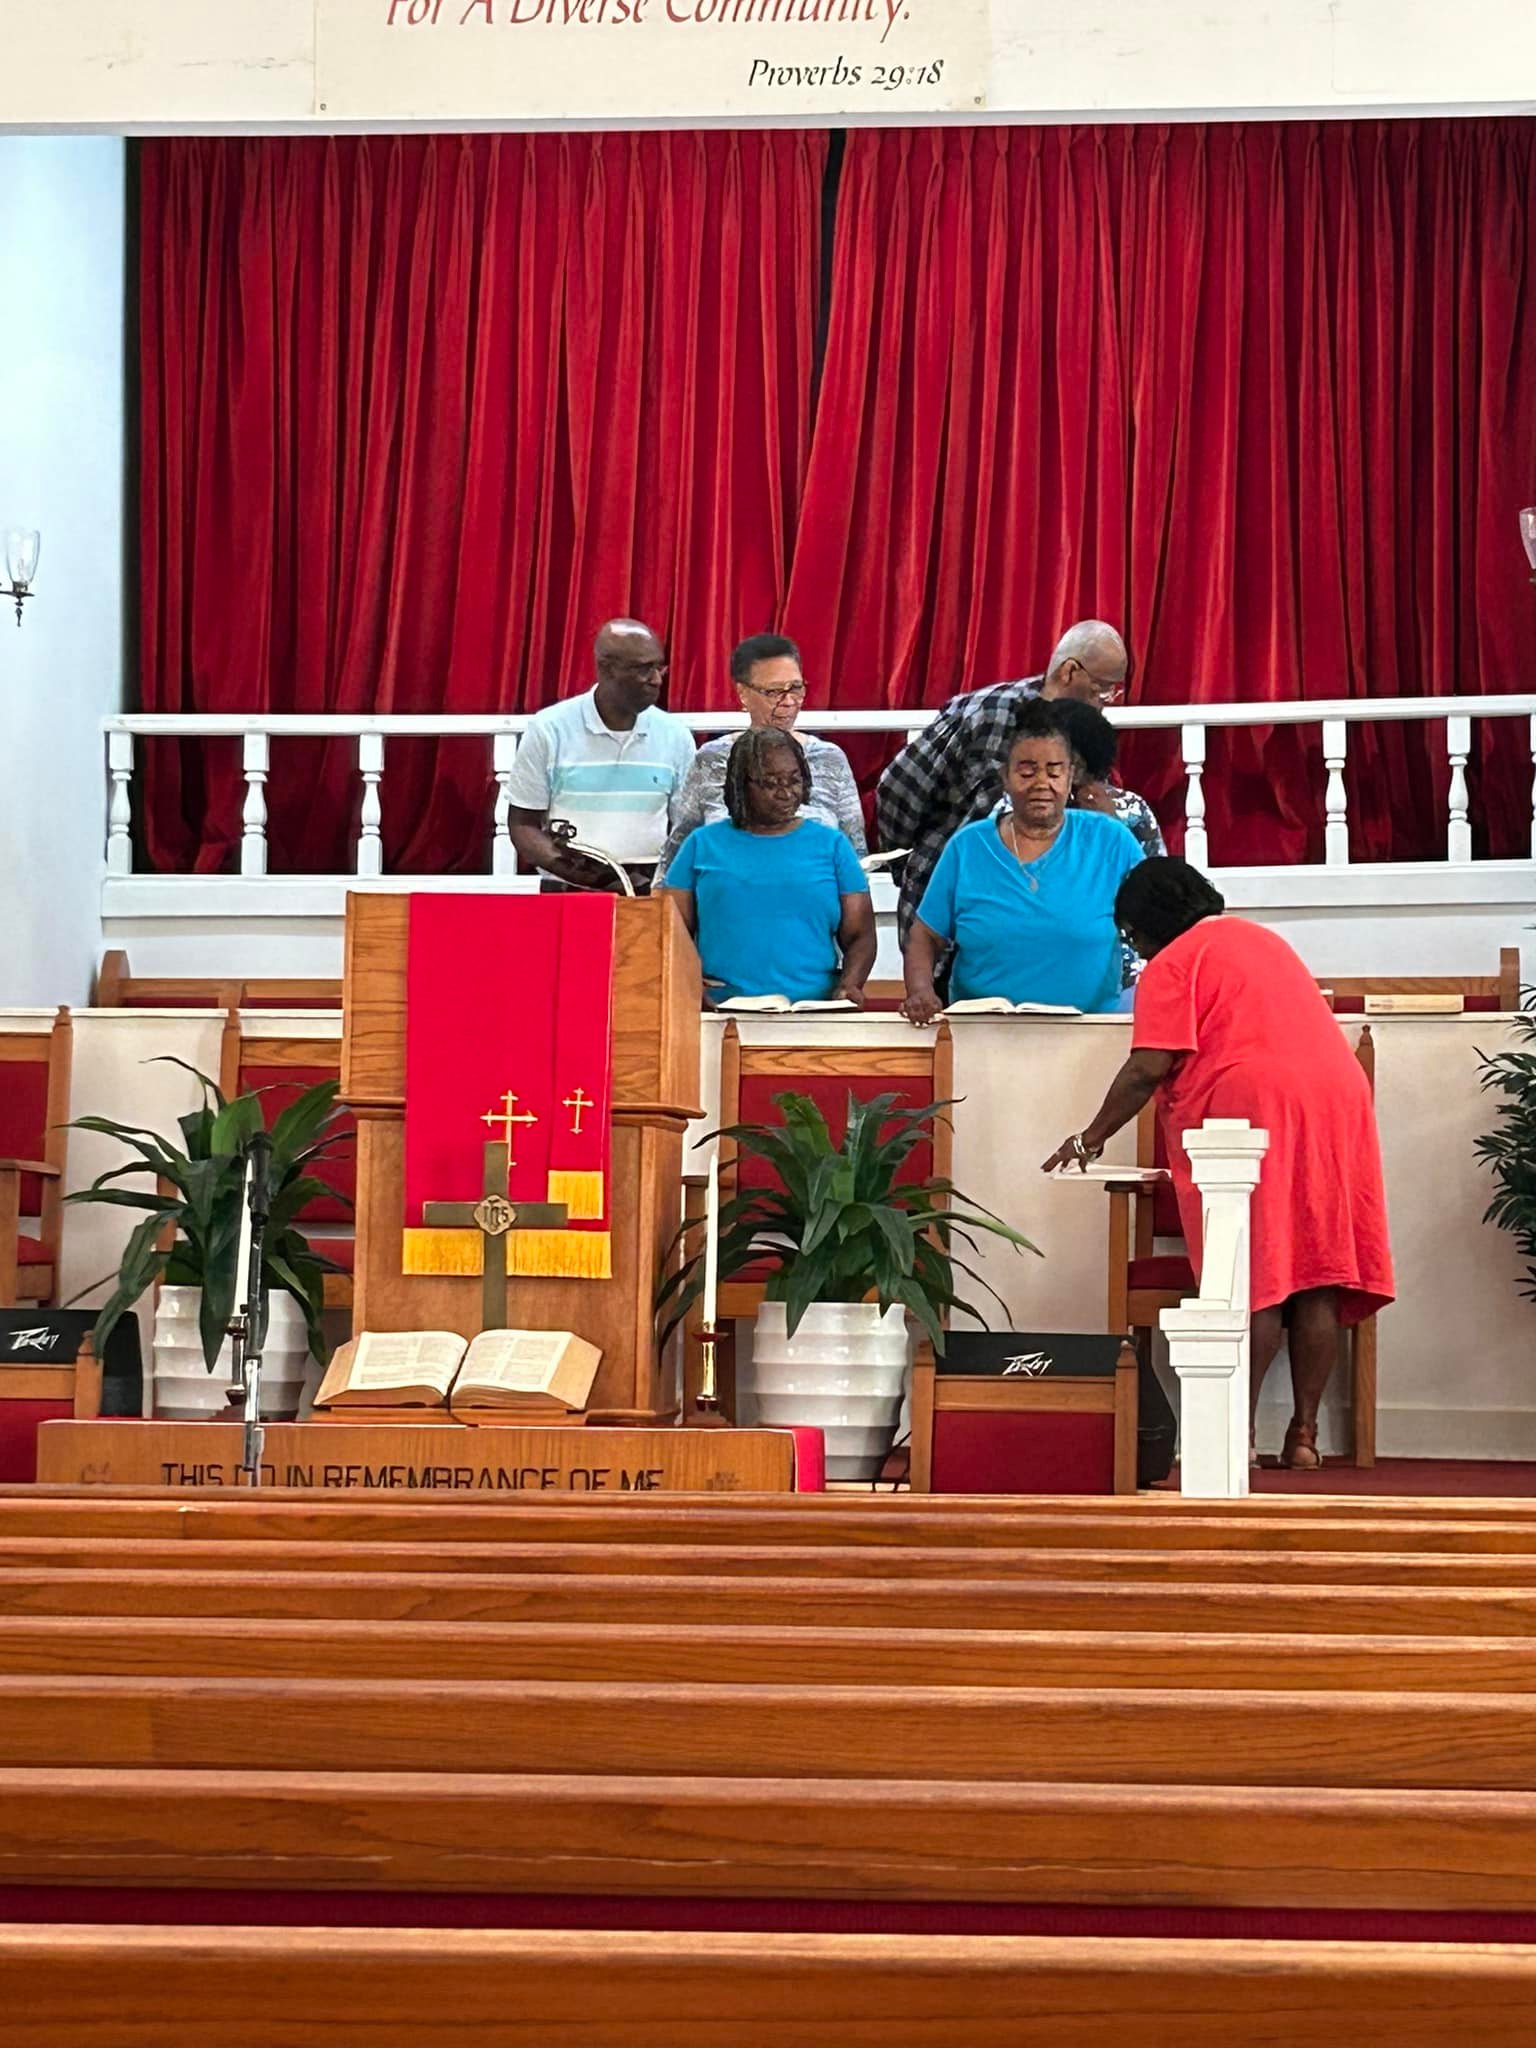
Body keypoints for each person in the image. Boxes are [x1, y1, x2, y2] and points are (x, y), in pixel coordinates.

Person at [1041, 858, 1394, 1471]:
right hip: (1337, 1100)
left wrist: (1088, 1139)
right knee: (1317, 1270)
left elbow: (1147, 1068)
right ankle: (1304, 1435)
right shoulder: (1263, 940)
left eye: (1132, 934)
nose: (1135, 947)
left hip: (1254, 1102)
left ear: (1148, 924)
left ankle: (1236, 1435)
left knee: (1253, 1274)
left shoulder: (1173, 962)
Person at [877, 619, 1129, 942]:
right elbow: (899, 788)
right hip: (950, 911)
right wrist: (908, 862)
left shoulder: (1089, 733)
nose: (1107, 700)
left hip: (1044, 920)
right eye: (1102, 688)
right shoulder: (986, 712)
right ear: (1069, 671)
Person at [901, 701, 1143, 1025]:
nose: (1041, 783)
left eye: (1054, 771)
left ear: (1070, 775)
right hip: (981, 1031)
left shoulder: (1111, 840)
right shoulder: (967, 847)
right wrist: (920, 990)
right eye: (1027, 772)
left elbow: (1158, 923)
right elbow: (925, 936)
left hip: (1091, 1031)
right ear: (1005, 776)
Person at [659, 726, 875, 1007]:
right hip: (721, 1007)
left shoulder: (832, 845)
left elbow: (860, 935)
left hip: (813, 1009)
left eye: (794, 780)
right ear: (740, 785)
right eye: (771, 784)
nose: (786, 793)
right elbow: (669, 930)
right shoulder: (701, 844)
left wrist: (849, 986)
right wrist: (687, 983)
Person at [655, 633, 866, 883]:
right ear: (743, 693)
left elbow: (856, 856)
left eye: (796, 688)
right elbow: (677, 853)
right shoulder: (712, 760)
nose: (788, 702)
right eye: (774, 691)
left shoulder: (828, 759)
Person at [506, 619, 696, 893]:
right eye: (644, 669)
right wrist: (597, 878)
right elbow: (523, 826)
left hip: (649, 887)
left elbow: (687, 828)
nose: (656, 680)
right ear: (606, 669)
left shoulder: (675, 735)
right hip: (568, 885)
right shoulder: (549, 729)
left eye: (659, 667)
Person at [1052, 697, 1164, 997]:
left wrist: (1112, 827)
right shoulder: (1013, 810)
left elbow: (1155, 885)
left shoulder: (1130, 808)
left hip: (1120, 959)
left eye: (1075, 762)